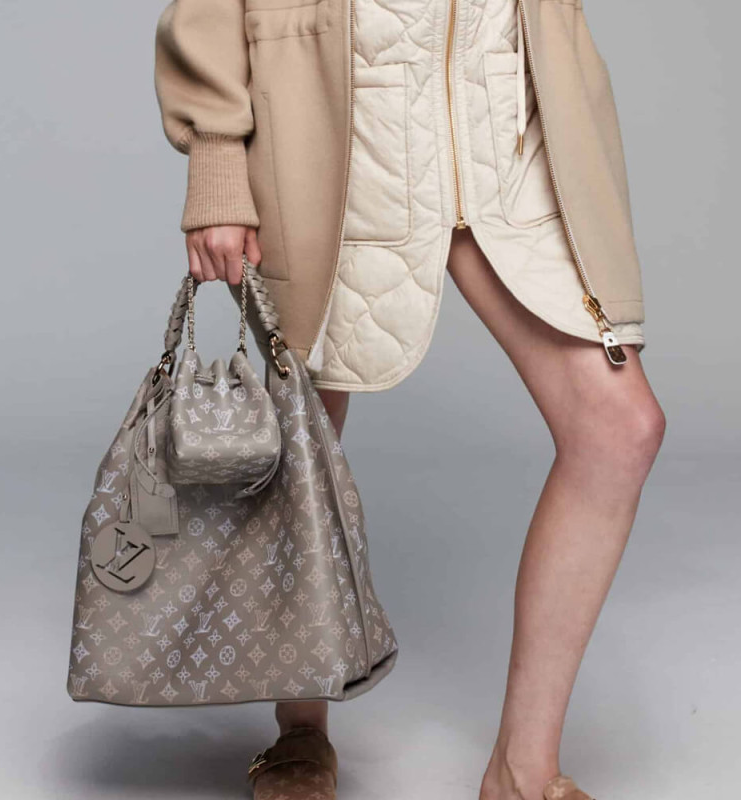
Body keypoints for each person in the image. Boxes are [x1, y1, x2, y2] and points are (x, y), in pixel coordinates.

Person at [153, 0, 666, 798]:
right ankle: (300, 729)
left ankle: (522, 772)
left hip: (511, 120)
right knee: (305, 439)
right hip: (344, 129)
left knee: (620, 427)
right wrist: (217, 158)